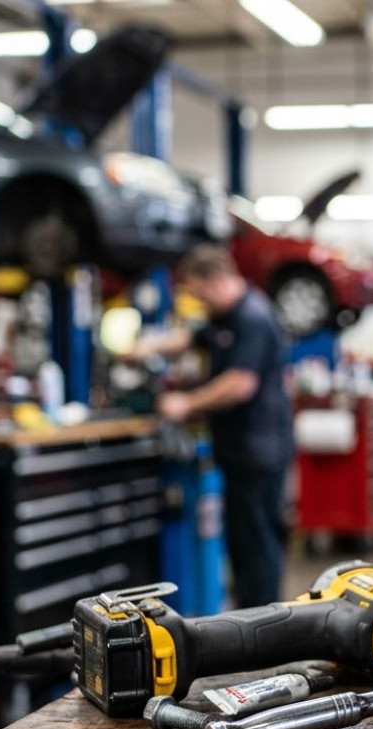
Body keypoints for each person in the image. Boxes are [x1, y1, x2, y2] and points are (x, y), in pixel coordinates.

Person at [130, 245, 293, 607]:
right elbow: (190, 338)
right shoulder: (226, 315)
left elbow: (240, 383)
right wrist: (146, 347)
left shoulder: (252, 317)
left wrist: (186, 403)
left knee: (257, 545)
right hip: (240, 451)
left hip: (258, 453)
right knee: (242, 542)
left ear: (217, 281)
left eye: (198, 292)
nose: (197, 301)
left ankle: (265, 628)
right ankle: (254, 620)